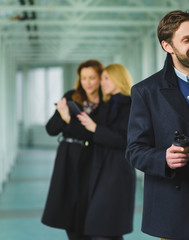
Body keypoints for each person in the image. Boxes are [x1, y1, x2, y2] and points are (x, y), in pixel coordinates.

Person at [126, 10, 189, 240]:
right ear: (167, 46)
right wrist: (164, 159)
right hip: (178, 205)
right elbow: (134, 150)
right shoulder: (146, 91)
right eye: (186, 40)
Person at [42, 59, 103, 240]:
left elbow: (93, 135)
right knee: (68, 204)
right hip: (67, 157)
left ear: (100, 78)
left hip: (92, 157)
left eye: (92, 77)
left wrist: (69, 121)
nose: (88, 82)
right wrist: (62, 116)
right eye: (84, 78)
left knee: (88, 205)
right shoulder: (71, 96)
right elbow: (51, 129)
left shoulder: (105, 102)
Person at [77, 63, 135, 240]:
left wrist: (95, 128)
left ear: (118, 79)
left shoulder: (131, 104)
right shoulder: (107, 104)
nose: (102, 83)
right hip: (102, 169)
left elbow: (125, 139)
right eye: (102, 78)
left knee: (104, 227)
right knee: (108, 228)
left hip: (117, 171)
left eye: (106, 78)